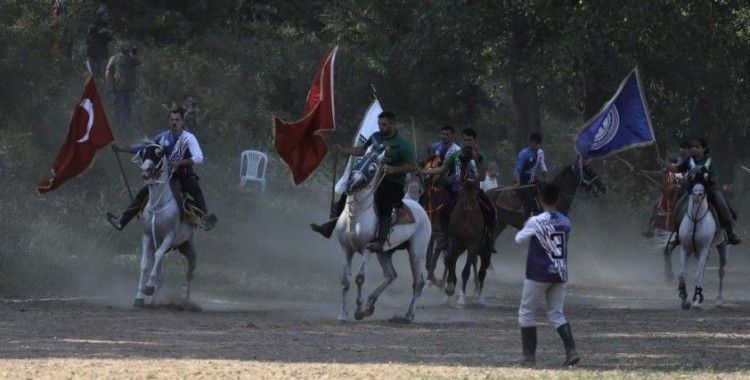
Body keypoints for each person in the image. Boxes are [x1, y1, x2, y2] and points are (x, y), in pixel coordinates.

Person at [310, 111, 416, 253]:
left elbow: (413, 166)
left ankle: (380, 241)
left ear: (392, 124)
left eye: (384, 125)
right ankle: (329, 227)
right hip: (372, 177)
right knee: (349, 189)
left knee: (385, 204)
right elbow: (362, 150)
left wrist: (393, 169)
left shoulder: (403, 145)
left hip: (392, 181)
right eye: (379, 124)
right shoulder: (376, 137)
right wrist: (344, 150)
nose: (380, 127)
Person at [106, 106, 217, 231]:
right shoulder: (163, 136)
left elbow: (198, 157)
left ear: (182, 122)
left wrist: (179, 162)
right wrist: (122, 149)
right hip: (166, 176)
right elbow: (146, 148)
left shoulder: (189, 138)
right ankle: (121, 221)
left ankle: (205, 218)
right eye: (172, 119)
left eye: (177, 120)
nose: (174, 122)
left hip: (184, 175)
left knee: (195, 190)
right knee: (143, 194)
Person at [514, 183, 580, 367]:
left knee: (526, 312)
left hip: (538, 272)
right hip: (559, 272)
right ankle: (571, 350)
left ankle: (529, 357)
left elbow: (518, 239)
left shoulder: (536, 221)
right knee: (556, 314)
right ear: (558, 200)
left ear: (540, 200)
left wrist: (528, 223)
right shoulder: (566, 221)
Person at [421, 128, 497, 253]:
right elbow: (442, 169)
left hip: (474, 193)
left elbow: (483, 176)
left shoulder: (481, 155)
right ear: (462, 140)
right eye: (465, 139)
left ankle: (489, 240)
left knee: (491, 210)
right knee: (443, 212)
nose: (467, 142)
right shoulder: (455, 155)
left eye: (470, 140)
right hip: (456, 193)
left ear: (474, 141)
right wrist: (424, 171)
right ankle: (445, 239)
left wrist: (472, 179)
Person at [671, 138, 741, 245]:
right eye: (693, 147)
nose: (694, 149)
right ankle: (677, 235)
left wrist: (703, 176)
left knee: (723, 207)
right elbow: (677, 169)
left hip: (709, 190)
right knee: (678, 208)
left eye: (697, 147)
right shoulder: (689, 160)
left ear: (704, 149)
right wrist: (666, 166)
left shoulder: (709, 161)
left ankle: (730, 235)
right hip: (692, 192)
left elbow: (714, 178)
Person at [106, 40, 140, 133]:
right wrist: (109, 85)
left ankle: (128, 130)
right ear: (121, 48)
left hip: (130, 89)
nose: (127, 48)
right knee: (119, 111)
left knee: (130, 111)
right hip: (118, 89)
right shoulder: (115, 58)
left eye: (128, 46)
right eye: (125, 46)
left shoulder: (131, 58)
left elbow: (137, 62)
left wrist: (134, 53)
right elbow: (108, 71)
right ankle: (120, 130)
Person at [514, 132, 548, 216]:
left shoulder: (540, 153)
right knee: (531, 203)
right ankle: (528, 219)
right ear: (531, 142)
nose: (538, 146)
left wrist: (545, 173)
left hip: (533, 182)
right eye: (536, 144)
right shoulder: (523, 154)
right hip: (523, 183)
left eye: (539, 144)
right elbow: (517, 170)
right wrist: (518, 182)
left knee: (546, 196)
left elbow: (542, 165)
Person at [85, 4, 113, 78]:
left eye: (107, 16)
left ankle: (100, 85)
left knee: (101, 71)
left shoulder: (107, 25)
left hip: (103, 51)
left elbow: (109, 39)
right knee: (93, 72)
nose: (106, 18)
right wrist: (99, 32)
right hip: (93, 52)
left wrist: (110, 34)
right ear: (99, 16)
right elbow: (89, 36)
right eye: (104, 16)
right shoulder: (94, 25)